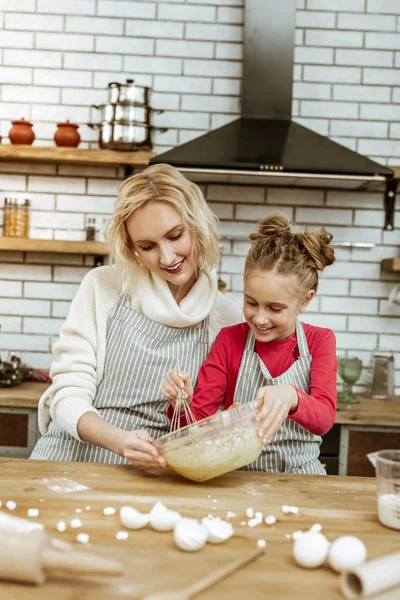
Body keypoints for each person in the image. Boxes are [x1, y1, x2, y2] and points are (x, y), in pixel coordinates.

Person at [30, 164, 241, 471]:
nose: (167, 257)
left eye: (175, 235)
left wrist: (188, 405)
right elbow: (67, 394)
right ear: (132, 249)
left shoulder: (226, 317)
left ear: (197, 226)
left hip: (155, 465)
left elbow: (220, 424)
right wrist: (119, 441)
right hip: (71, 452)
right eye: (148, 246)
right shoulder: (103, 286)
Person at [161, 212, 337, 475]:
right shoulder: (230, 340)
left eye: (275, 308)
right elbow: (196, 428)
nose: (260, 318)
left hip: (304, 478)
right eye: (251, 303)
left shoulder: (319, 341)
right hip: (240, 477)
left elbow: (324, 419)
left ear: (305, 300)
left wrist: (292, 396)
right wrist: (181, 403)